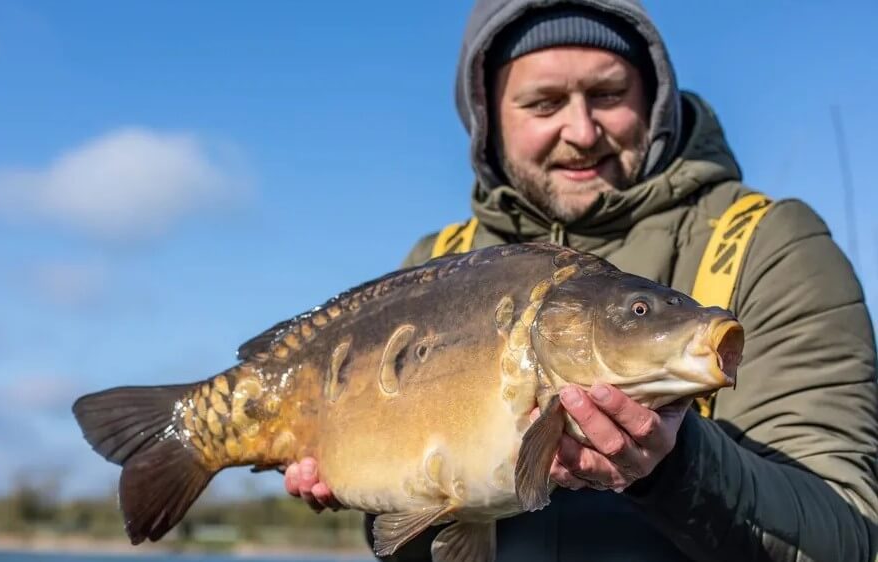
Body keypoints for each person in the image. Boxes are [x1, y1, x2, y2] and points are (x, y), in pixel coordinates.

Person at [284, 0, 878, 560]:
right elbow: (410, 536)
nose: (582, 130)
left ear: (655, 97)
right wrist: (368, 489)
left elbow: (850, 538)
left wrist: (675, 466)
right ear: (487, 118)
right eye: (544, 103)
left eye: (608, 93)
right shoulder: (438, 259)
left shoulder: (770, 245)